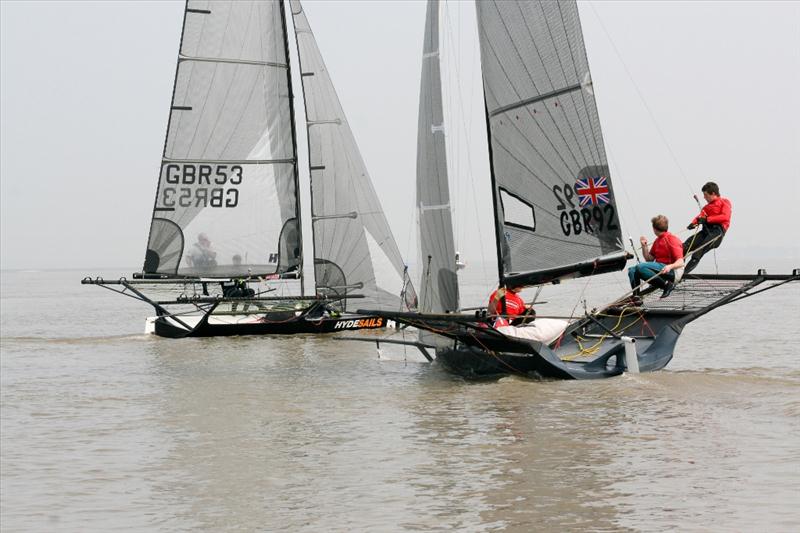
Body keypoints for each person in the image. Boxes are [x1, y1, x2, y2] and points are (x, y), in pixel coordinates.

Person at [487, 286, 569, 343]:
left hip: (512, 324)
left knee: (531, 312)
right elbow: (490, 311)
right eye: (520, 285)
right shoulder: (499, 293)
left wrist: (527, 308)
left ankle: (519, 334)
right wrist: (497, 297)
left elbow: (522, 312)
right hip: (498, 321)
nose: (522, 287)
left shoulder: (519, 300)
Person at [629, 215, 685, 298]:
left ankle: (667, 286)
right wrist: (644, 246)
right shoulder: (658, 240)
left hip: (673, 272)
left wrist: (670, 266)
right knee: (632, 270)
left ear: (654, 229)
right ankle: (636, 296)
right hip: (661, 270)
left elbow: (681, 262)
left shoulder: (672, 239)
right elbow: (649, 259)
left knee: (640, 267)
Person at [683, 181, 731, 274]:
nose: (704, 197)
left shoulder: (725, 202)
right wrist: (693, 223)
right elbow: (699, 217)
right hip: (705, 232)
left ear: (713, 194)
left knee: (698, 251)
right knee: (684, 247)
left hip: (717, 233)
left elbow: (725, 217)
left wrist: (707, 219)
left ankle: (683, 275)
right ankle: (676, 272)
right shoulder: (706, 207)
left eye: (705, 195)